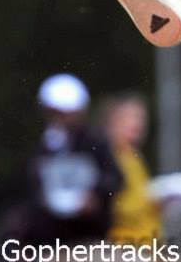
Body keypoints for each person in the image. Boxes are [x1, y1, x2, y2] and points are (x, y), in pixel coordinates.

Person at [15, 74, 123, 245]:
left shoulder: (95, 142)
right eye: (57, 113)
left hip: (91, 236)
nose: (62, 118)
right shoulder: (43, 146)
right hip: (51, 238)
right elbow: (29, 188)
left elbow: (116, 179)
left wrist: (95, 195)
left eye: (67, 113)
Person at [100, 93, 162, 245]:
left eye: (141, 118)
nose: (138, 124)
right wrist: (153, 201)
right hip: (124, 246)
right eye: (131, 117)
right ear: (113, 121)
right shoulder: (109, 156)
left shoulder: (133, 157)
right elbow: (114, 206)